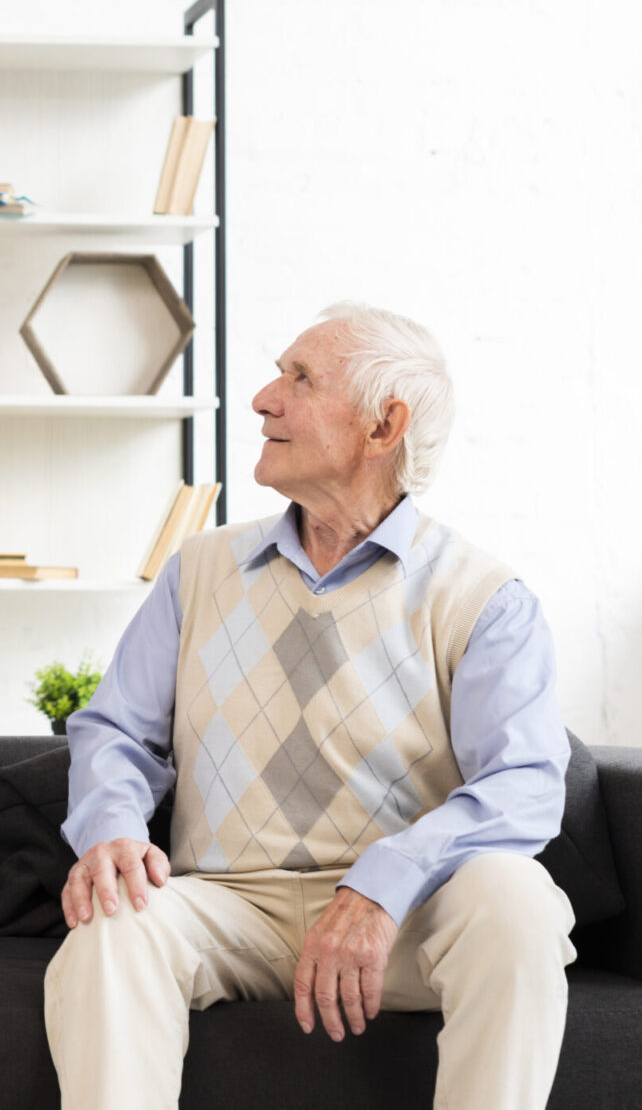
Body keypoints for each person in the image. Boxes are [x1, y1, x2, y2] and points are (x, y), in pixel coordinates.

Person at [44, 303, 575, 1110]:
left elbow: (525, 783)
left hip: (404, 915)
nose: (263, 397)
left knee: (518, 902)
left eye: (300, 378)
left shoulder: (484, 597)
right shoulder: (201, 568)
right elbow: (116, 729)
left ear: (383, 425)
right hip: (228, 904)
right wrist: (113, 826)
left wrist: (382, 883)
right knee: (111, 928)